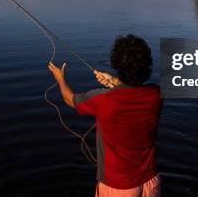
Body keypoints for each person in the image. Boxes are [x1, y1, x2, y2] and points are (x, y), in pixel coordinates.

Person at [48, 34, 162, 197]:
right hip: (151, 183)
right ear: (147, 65)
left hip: (118, 188)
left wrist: (60, 78)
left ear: (116, 64)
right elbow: (132, 91)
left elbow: (69, 99)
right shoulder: (156, 95)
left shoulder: (104, 99)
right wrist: (115, 82)